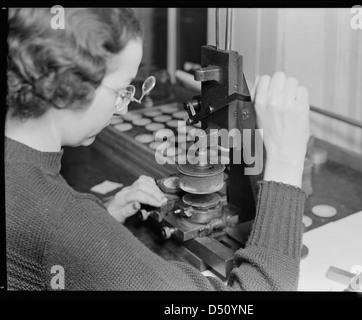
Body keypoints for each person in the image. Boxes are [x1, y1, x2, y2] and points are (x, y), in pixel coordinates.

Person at [5, 8, 310, 291]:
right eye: (121, 90)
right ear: (63, 88)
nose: (123, 109)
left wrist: (101, 221)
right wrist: (286, 159)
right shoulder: (65, 226)